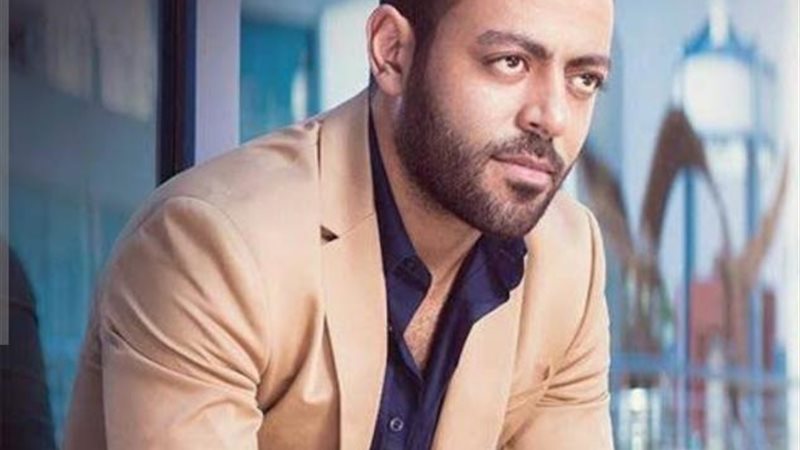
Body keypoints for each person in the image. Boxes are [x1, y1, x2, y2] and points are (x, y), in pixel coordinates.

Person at [64, 0, 614, 448]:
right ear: (392, 52)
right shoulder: (211, 245)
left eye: (584, 79)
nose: (553, 116)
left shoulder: (569, 257)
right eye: (510, 62)